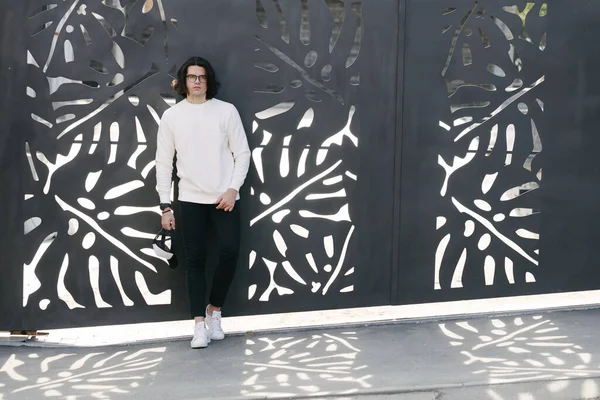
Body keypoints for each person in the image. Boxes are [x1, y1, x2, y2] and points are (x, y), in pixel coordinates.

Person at [155, 56, 250, 349]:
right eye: (192, 77)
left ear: (209, 81)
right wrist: (165, 206)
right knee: (194, 262)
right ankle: (198, 324)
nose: (197, 81)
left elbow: (243, 153)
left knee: (230, 252)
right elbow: (162, 163)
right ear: (183, 82)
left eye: (202, 77)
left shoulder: (226, 112)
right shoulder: (172, 117)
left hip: (224, 199)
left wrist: (233, 189)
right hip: (190, 199)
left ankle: (215, 311)